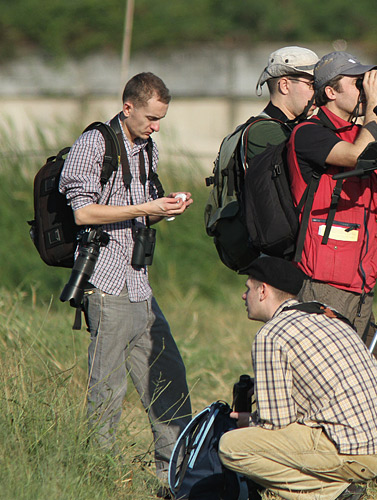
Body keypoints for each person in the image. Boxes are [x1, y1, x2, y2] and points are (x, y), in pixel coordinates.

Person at [58, 72, 192, 485]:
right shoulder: (94, 143)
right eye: (151, 118)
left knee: (170, 379)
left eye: (161, 120)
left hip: (139, 284)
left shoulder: (148, 148)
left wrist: (165, 208)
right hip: (106, 281)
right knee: (107, 391)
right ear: (128, 106)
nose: (156, 127)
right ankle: (97, 480)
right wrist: (143, 208)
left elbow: (141, 207)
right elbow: (83, 212)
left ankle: (174, 479)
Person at [218, 256, 377, 500]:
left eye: (248, 288)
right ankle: (342, 490)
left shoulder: (271, 335)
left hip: (358, 452)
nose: (244, 296)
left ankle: (332, 494)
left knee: (232, 447)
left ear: (263, 291)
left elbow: (276, 424)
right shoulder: (328, 314)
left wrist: (248, 421)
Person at [286, 51, 377, 371]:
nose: (364, 89)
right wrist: (374, 104)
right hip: (322, 282)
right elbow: (357, 155)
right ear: (330, 92)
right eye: (357, 83)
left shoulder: (358, 131)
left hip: (360, 280)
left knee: (370, 373)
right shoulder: (308, 133)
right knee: (328, 377)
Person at [245, 45, 319, 160]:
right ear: (285, 86)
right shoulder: (264, 131)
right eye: (312, 85)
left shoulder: (290, 127)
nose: (317, 93)